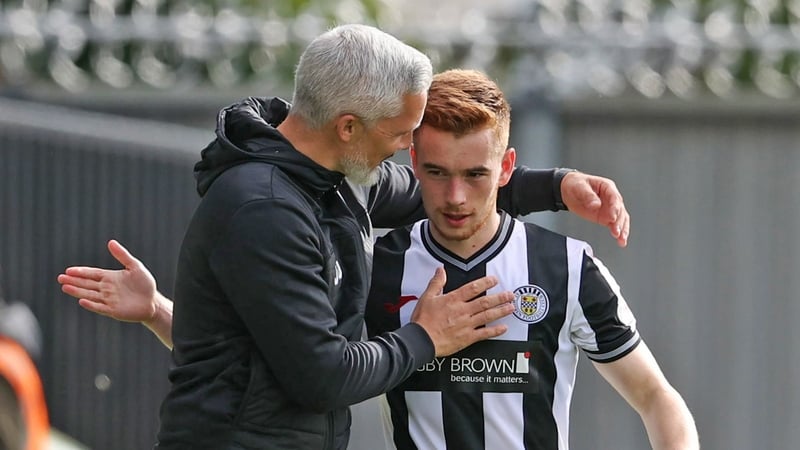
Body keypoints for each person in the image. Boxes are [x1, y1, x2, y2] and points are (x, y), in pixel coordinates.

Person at [57, 25, 632, 449]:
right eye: (400, 132)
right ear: (349, 126)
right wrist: (427, 336)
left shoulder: (338, 177)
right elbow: (323, 375)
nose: (406, 147)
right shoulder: (265, 210)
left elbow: (440, 190)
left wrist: (558, 186)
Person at [363, 69, 699, 449]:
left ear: (506, 167)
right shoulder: (379, 267)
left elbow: (655, 397)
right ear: (413, 161)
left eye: (476, 174)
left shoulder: (568, 268)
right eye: (437, 172)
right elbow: (317, 372)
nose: (455, 196)